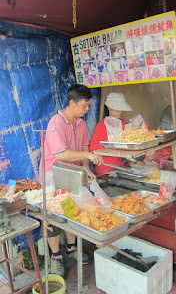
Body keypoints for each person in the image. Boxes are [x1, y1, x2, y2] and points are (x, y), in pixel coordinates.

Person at [38, 84, 103, 277]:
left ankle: (71, 248)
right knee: (54, 217)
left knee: (72, 211)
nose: (87, 109)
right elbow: (60, 154)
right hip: (53, 176)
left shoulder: (81, 124)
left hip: (72, 174)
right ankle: (56, 255)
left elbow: (83, 149)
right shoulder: (55, 123)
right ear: (72, 103)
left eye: (90, 105)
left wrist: (86, 169)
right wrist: (89, 156)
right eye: (85, 105)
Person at [89, 92, 133, 175]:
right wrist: (111, 147)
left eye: (121, 109)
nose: (120, 112)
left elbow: (131, 138)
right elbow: (92, 147)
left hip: (118, 168)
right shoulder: (101, 125)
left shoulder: (123, 123)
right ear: (109, 107)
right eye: (117, 109)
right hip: (103, 170)